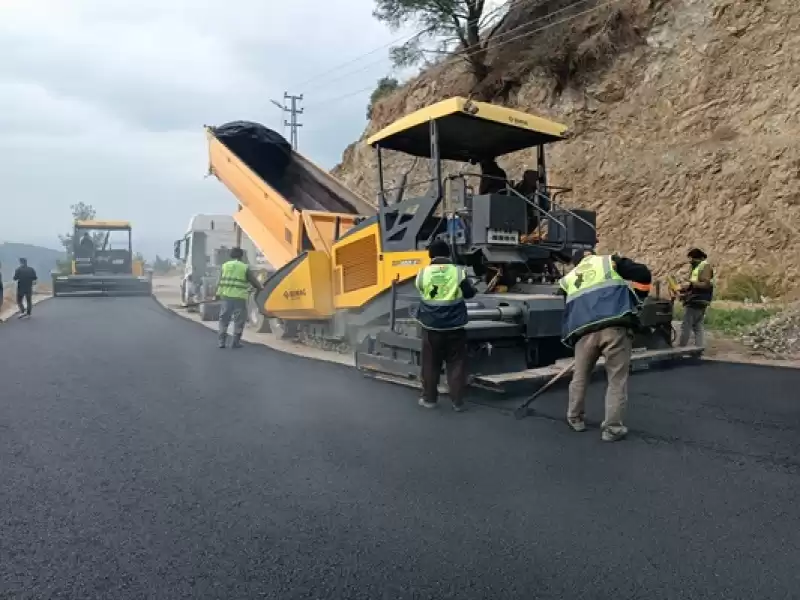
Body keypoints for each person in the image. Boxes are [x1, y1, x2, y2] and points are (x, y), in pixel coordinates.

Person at [558, 249, 650, 442]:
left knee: (580, 377)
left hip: (583, 332)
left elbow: (570, 309)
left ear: (576, 264)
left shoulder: (568, 279)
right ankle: (612, 429)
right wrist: (639, 299)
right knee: (616, 380)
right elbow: (642, 272)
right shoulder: (609, 262)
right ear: (592, 255)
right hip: (615, 327)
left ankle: (575, 418)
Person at [415, 239, 477, 412]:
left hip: (431, 327)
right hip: (455, 328)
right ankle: (457, 402)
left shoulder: (423, 273)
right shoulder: (458, 272)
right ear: (449, 254)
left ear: (430, 255)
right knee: (456, 363)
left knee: (430, 364)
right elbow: (469, 294)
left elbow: (421, 291)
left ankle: (429, 399)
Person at [215, 247, 262, 349]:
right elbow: (254, 282)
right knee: (239, 321)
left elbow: (218, 282)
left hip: (226, 297)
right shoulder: (244, 267)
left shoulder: (224, 266)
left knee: (224, 319)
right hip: (239, 298)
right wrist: (260, 288)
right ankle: (235, 343)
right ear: (241, 256)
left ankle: (221, 342)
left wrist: (217, 295)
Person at [679, 248, 714, 347]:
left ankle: (681, 349)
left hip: (696, 300)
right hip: (698, 299)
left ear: (697, 258)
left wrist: (691, 283)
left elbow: (706, 284)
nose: (690, 261)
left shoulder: (704, 267)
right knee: (698, 326)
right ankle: (699, 349)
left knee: (686, 326)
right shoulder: (697, 267)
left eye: (692, 259)